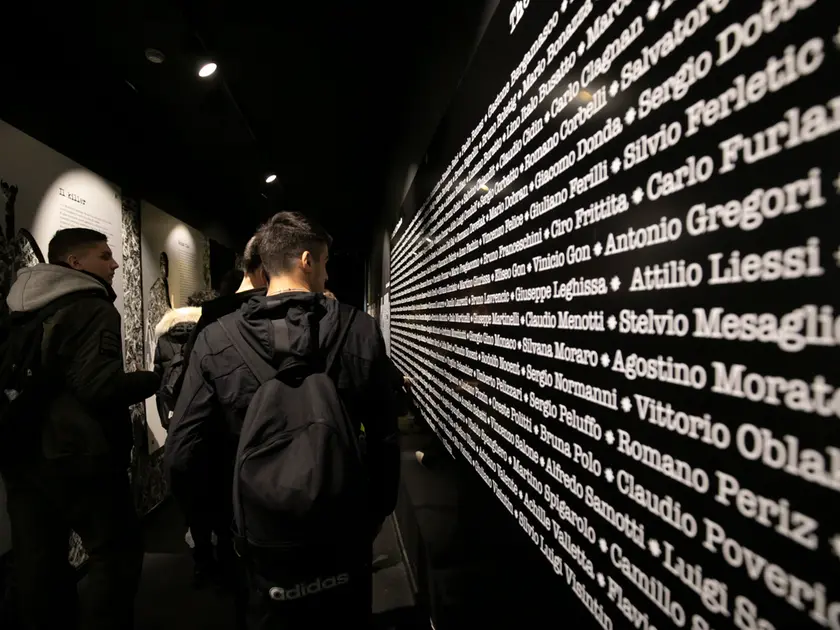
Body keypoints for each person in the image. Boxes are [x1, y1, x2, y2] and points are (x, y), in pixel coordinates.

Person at [166, 211, 399, 628]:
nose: (326, 274)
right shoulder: (360, 330)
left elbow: (182, 452)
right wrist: (377, 509)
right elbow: (384, 435)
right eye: (324, 263)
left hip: (259, 535)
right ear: (307, 260)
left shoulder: (216, 339)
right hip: (342, 524)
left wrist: (220, 523)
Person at [3, 228, 160, 630]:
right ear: (75, 262)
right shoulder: (92, 306)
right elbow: (98, 386)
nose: (115, 263)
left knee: (38, 564)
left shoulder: (17, 307)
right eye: (104, 256)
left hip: (22, 454)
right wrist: (152, 379)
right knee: (115, 556)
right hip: (82, 457)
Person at [152, 288, 219, 432]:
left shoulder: (164, 339)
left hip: (174, 414)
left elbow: (158, 382)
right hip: (206, 416)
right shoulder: (212, 335)